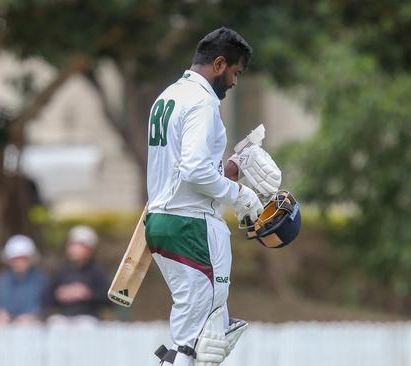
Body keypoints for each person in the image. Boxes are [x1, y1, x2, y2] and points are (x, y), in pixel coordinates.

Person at [144, 27, 270, 366]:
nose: (235, 82)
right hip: (192, 226)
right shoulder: (202, 103)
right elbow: (194, 170)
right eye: (235, 72)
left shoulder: (169, 96)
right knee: (201, 341)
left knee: (196, 335)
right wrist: (239, 194)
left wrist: (228, 170)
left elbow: (183, 169)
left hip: (162, 221)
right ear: (219, 63)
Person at [43, 225, 108, 326]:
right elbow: (46, 298)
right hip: (65, 317)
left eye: (80, 245)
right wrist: (59, 294)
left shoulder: (97, 272)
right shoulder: (62, 271)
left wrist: (87, 294)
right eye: (72, 245)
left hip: (88, 317)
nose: (75, 249)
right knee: (54, 324)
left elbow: (108, 299)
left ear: (90, 249)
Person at [0, 234, 46, 325]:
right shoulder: (5, 278)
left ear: (31, 259)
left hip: (33, 323)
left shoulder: (39, 279)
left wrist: (31, 316)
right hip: (8, 322)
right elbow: (1, 304)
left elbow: (39, 307)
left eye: (23, 259)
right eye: (15, 259)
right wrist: (1, 314)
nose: (19, 263)